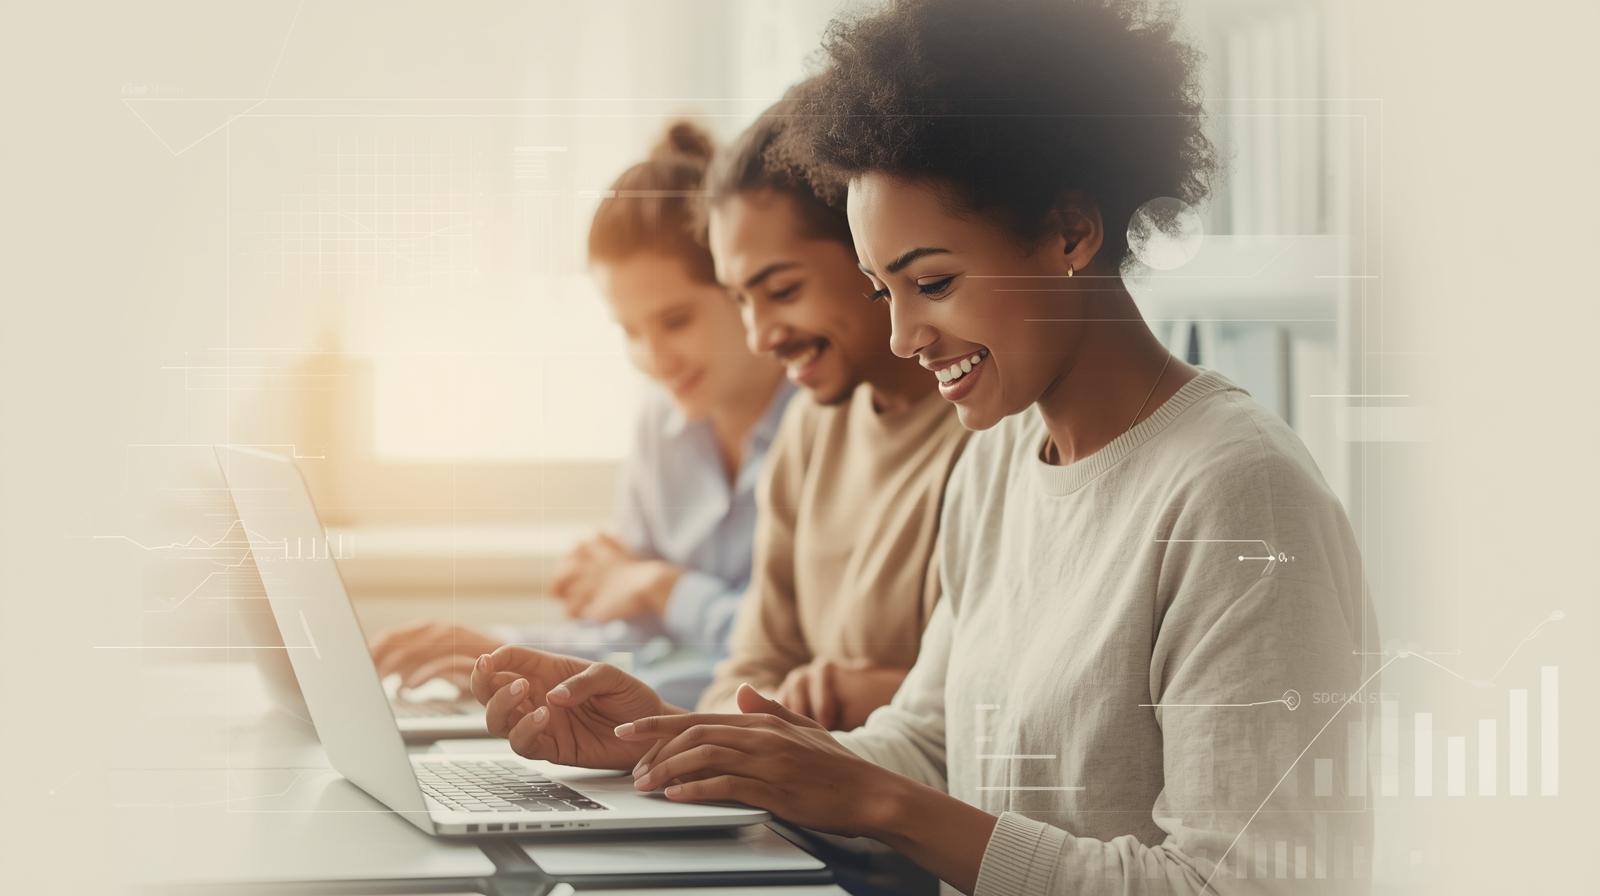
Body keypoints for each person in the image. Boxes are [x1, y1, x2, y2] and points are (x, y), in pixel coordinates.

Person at [469, 2, 1379, 894]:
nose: (904, 336)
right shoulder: (998, 461)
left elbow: (1248, 885)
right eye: (880, 292)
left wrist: (881, 800)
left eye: (932, 282)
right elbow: (928, 746)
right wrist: (669, 737)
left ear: (1071, 231)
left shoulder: (1238, 495)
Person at [368, 123, 794, 710]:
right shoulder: (660, 425)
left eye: (676, 321)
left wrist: (658, 585)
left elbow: (787, 653)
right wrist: (505, 655)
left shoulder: (826, 425)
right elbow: (641, 640)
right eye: (629, 331)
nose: (654, 359)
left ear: (741, 287)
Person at [693, 96, 972, 727]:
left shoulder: (988, 432)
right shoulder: (810, 431)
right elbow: (744, 673)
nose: (760, 337)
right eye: (741, 300)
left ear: (871, 246)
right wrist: (790, 709)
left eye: (783, 291)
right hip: (812, 808)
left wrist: (879, 696)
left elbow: (1002, 710)